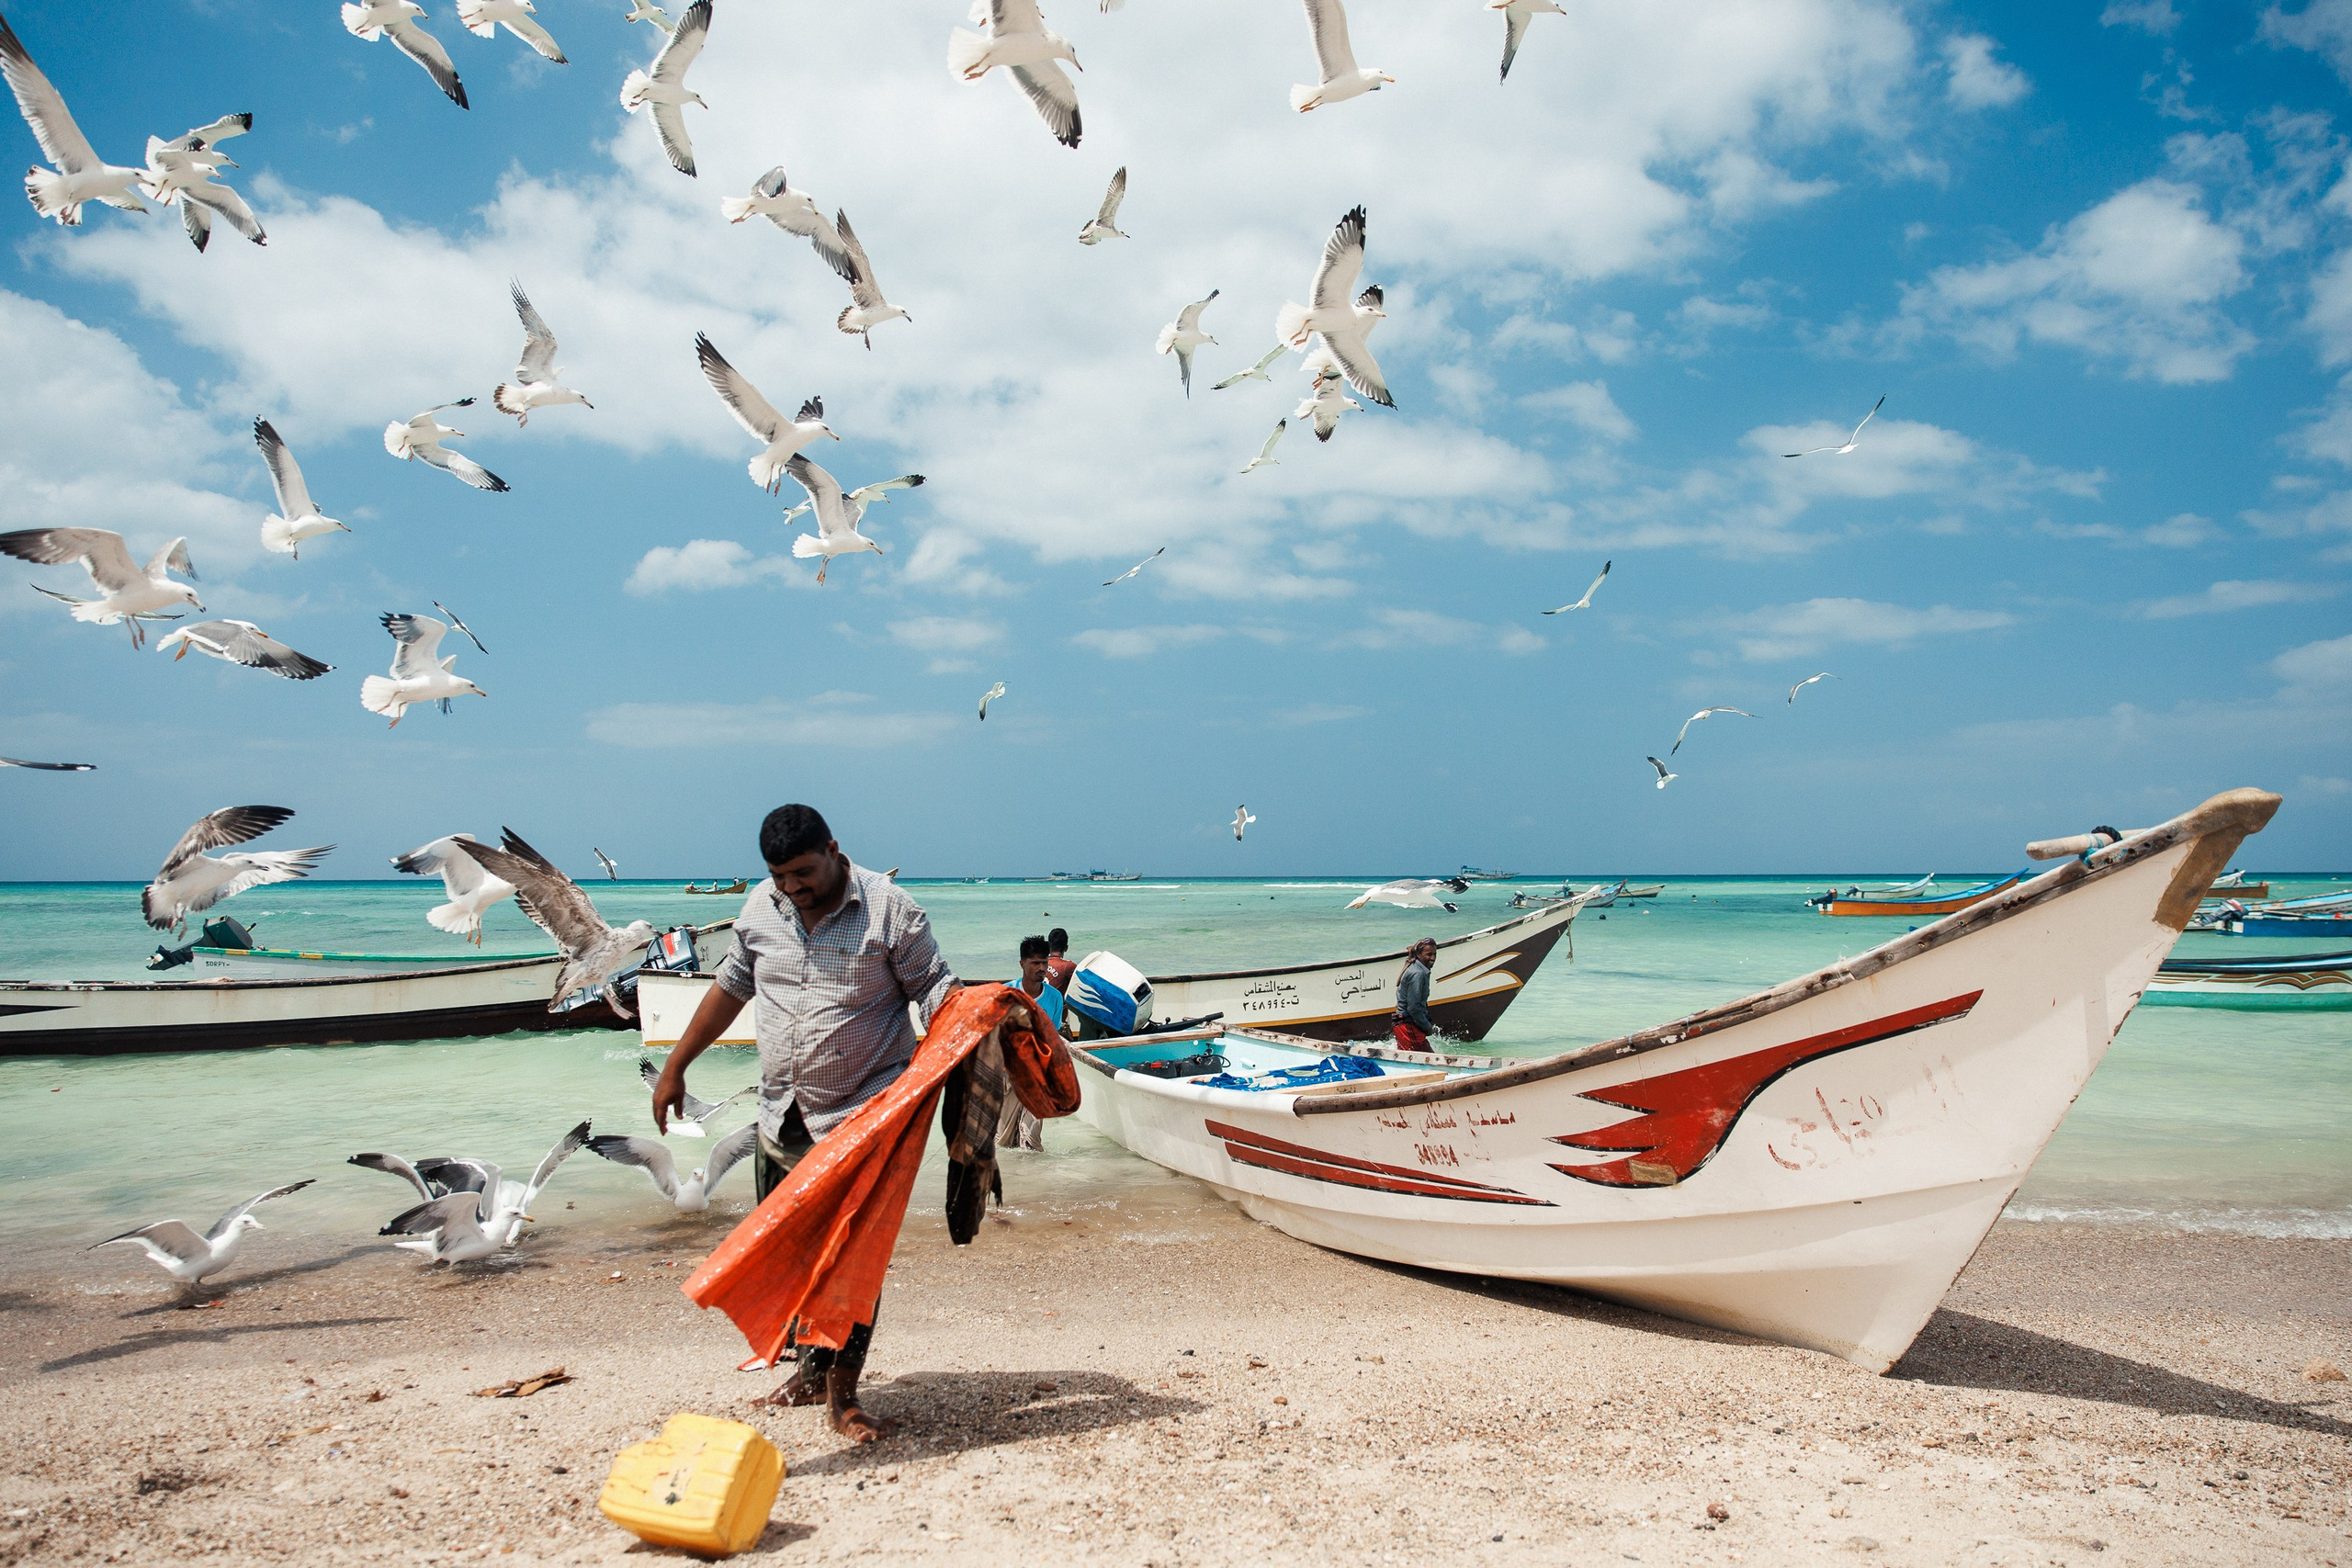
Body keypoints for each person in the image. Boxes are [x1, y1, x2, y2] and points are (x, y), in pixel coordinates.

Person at [651, 803, 958, 1443]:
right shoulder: (761, 909)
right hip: (779, 1114)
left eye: (801, 872)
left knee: (851, 1262)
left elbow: (937, 992)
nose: (791, 887)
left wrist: (975, 1034)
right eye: (778, 875)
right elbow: (730, 987)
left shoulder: (891, 910)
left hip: (862, 1117)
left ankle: (845, 1395)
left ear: (834, 849)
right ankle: (812, 1372)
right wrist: (676, 1067)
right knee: (794, 1259)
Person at [998, 935, 1061, 1151]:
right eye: (1035, 963)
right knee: (1004, 1142)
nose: (1041, 967)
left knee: (1031, 1143)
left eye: (1044, 962)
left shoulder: (1055, 998)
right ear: (1022, 964)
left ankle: (1037, 1181)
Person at [1392, 937, 1439, 1052]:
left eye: (1434, 954)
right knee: (1431, 1060)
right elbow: (1413, 1008)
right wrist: (1427, 1027)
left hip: (1407, 1024)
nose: (1432, 958)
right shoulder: (1417, 974)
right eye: (1429, 954)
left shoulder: (1420, 970)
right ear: (1418, 954)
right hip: (1407, 1026)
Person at [1044, 927, 1076, 998]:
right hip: (1058, 1008)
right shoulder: (1068, 966)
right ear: (1066, 948)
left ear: (1048, 946)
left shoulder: (1039, 963)